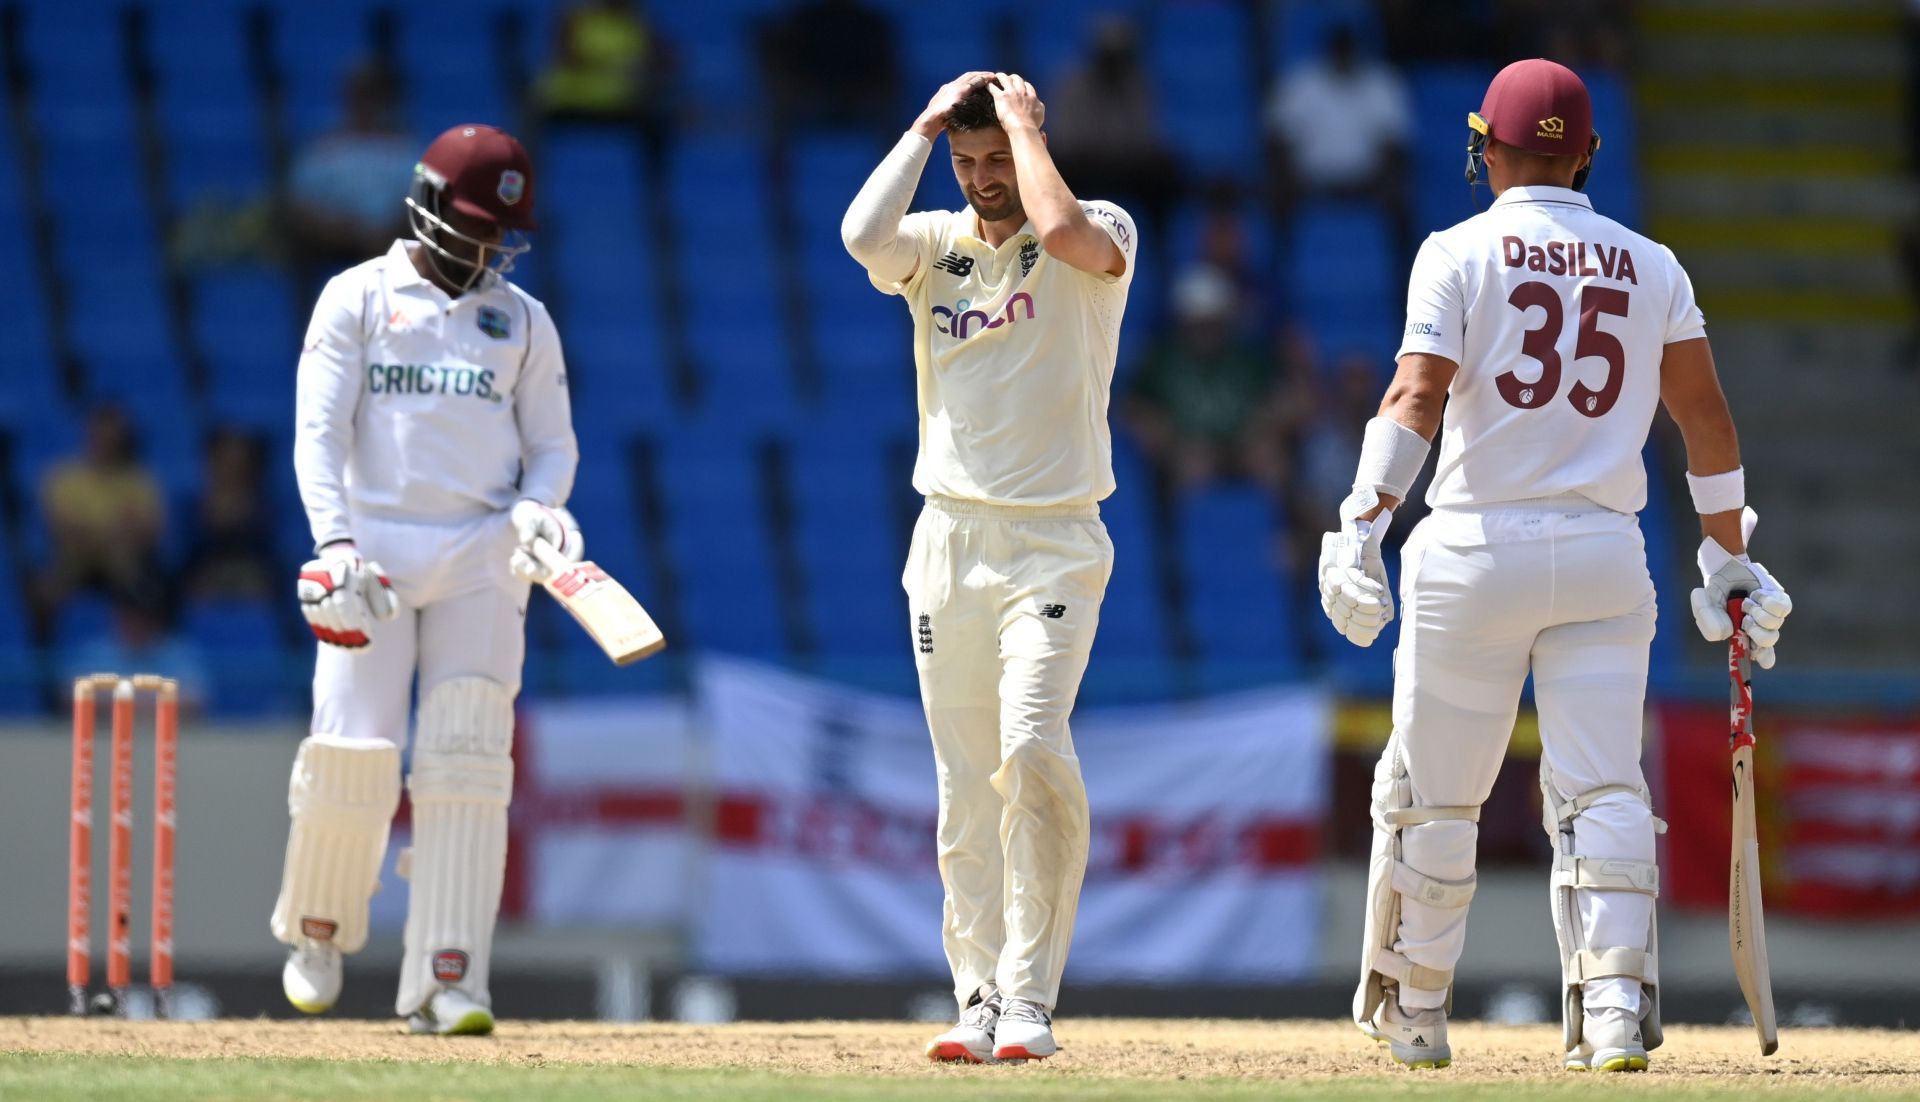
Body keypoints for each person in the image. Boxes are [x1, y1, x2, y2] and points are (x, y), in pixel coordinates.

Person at [1318, 60, 1793, 1073]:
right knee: (1604, 788)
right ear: (1588, 153)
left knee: (1436, 793)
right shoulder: (1652, 263)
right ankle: (1615, 1007)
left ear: (1486, 147)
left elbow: (1416, 398)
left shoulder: (1456, 250)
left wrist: (1363, 520)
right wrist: (1730, 559)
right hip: (1602, 551)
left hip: (1475, 547)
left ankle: (1414, 1008)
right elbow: (1704, 421)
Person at [841, 72, 1138, 1063]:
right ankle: (974, 994)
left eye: (995, 161)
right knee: (967, 781)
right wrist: (925, 127)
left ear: (1029, 143)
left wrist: (1022, 130)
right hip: (950, 541)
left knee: (1032, 751)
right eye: (966, 165)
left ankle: (1030, 1000)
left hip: (1054, 539)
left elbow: (1058, 235)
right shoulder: (933, 243)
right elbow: (857, 235)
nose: (982, 181)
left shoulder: (1101, 229)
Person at [271, 123, 583, 1037]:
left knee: (469, 758)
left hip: (482, 553)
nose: (484, 245)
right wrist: (332, 545)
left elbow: (553, 445)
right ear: (428, 200)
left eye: (499, 231)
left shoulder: (521, 319)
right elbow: (319, 435)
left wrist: (540, 511)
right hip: (370, 553)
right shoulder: (356, 298)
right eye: (474, 222)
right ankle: (318, 934)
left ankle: (450, 978)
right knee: (352, 753)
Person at [1123, 265, 1284, 494]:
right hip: (1188, 449)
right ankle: (1180, 527)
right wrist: (1169, 440)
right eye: (1198, 323)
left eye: (1212, 323)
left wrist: (1261, 424)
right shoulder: (1163, 361)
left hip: (1243, 444)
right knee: (1192, 467)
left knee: (1269, 459)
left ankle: (1281, 526)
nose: (1206, 332)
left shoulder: (1248, 358)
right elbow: (1132, 407)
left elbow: (1283, 397)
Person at [285, 63, 419, 292]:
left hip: (393, 252)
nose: (366, 103)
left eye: (373, 95)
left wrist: (384, 234)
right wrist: (345, 232)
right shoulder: (323, 151)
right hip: (329, 253)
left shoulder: (408, 151)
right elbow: (299, 207)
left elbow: (419, 204)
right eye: (360, 95)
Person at [34, 406, 164, 631]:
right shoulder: (64, 477)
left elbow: (150, 531)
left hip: (122, 563)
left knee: (140, 578)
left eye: (113, 435)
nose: (107, 441)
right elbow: (62, 528)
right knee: (44, 591)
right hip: (75, 562)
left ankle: (135, 646)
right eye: (101, 434)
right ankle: (47, 655)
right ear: (89, 434)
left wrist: (91, 528)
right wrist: (114, 528)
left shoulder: (139, 481)